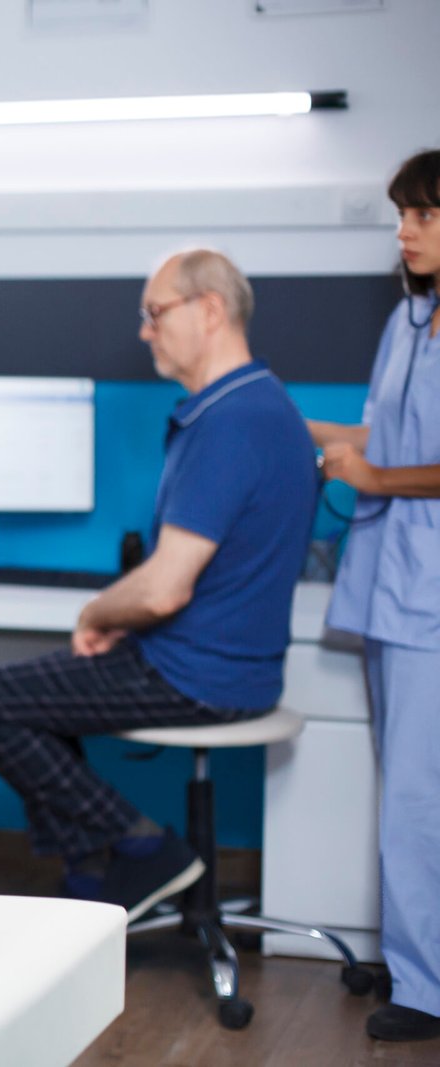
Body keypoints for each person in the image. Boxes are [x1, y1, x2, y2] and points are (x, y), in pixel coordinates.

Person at [0, 250, 317, 922]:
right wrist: (127, 614)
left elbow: (165, 589)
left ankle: (139, 846)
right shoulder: (259, 404)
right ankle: (92, 871)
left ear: (209, 309)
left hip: (192, 673)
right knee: (33, 698)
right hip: (230, 668)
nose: (145, 331)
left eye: (154, 313)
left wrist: (98, 608)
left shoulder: (231, 421)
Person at [306, 148, 440, 1045]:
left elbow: (395, 460)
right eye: (401, 214)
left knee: (417, 802)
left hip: (427, 597)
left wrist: (377, 475)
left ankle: (427, 988)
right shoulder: (411, 321)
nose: (405, 230)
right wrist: (300, 427)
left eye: (424, 215)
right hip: (396, 591)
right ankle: (417, 963)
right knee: (408, 789)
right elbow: (380, 434)